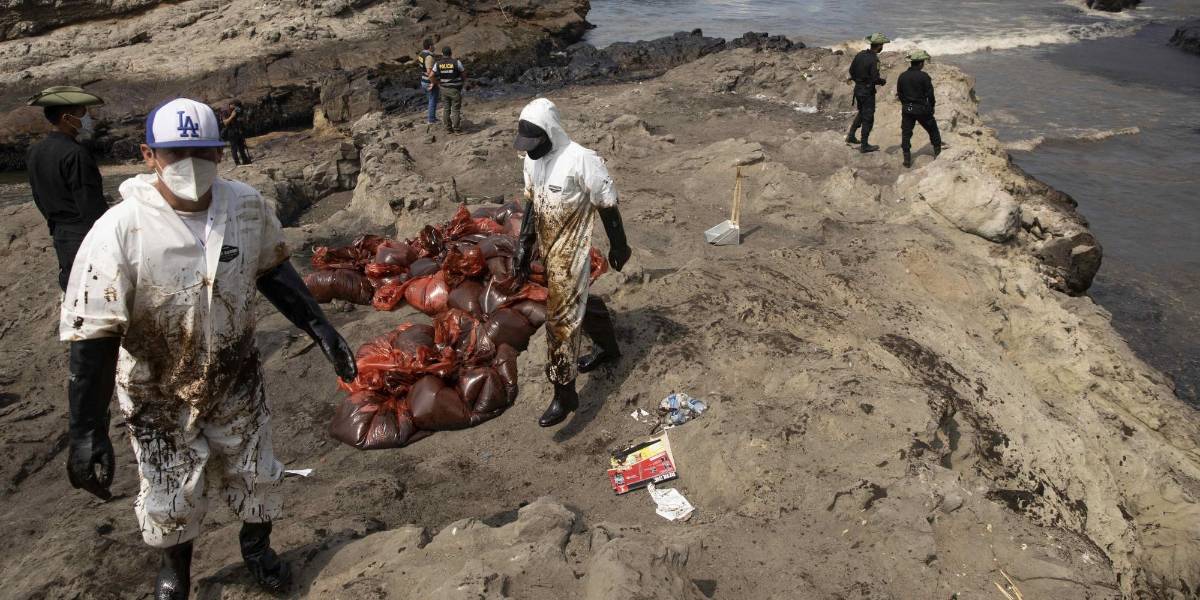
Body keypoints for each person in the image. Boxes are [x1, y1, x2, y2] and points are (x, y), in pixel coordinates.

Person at [59, 98, 357, 600]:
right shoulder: (120, 230)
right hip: (156, 391)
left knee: (255, 468)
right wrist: (86, 431)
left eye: (201, 152)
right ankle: (175, 567)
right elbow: (93, 335)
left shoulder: (244, 205)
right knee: (169, 486)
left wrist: (320, 327)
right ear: (149, 154)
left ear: (220, 153)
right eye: (175, 153)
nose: (189, 166)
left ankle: (257, 546)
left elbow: (272, 271)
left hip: (236, 374)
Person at [512, 98, 631, 428]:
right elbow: (532, 203)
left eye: (535, 144)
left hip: (573, 252)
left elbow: (607, 205)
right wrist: (524, 246)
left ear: (551, 131)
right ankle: (608, 348)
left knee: (559, 323)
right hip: (549, 251)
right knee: (579, 304)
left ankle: (564, 395)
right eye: (526, 146)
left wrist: (620, 247)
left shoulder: (582, 160)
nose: (531, 151)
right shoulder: (532, 162)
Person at [25, 86, 108, 291]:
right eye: (82, 113)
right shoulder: (76, 153)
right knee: (92, 287)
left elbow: (37, 194)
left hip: (60, 232)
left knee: (71, 284)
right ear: (66, 117)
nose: (87, 117)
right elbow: (90, 203)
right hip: (83, 233)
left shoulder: (35, 151)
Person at [896, 49, 943, 168]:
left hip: (907, 109)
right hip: (921, 108)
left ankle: (907, 158)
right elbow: (930, 95)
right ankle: (937, 151)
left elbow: (900, 93)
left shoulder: (902, 76)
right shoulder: (924, 76)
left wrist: (905, 104)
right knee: (932, 129)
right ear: (921, 63)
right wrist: (931, 106)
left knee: (906, 133)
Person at [846, 33, 890, 154]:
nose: (883, 47)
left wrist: (858, 80)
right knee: (868, 117)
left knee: (861, 112)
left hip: (858, 90)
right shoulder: (874, 59)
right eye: (882, 45)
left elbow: (851, 70)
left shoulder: (860, 55)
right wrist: (882, 82)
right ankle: (864, 145)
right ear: (879, 46)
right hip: (867, 92)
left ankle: (851, 135)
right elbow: (875, 78)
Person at [433, 47, 467, 134]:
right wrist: (463, 82)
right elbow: (463, 74)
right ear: (451, 53)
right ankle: (457, 129)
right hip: (455, 89)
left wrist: (437, 83)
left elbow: (430, 75)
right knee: (455, 109)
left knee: (446, 109)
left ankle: (448, 129)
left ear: (442, 54)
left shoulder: (437, 64)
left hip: (444, 89)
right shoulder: (457, 62)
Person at [222, 100, 251, 165]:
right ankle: (237, 162)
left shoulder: (237, 111)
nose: (236, 108)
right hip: (231, 131)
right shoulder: (225, 112)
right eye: (236, 106)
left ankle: (245, 160)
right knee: (234, 148)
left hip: (238, 130)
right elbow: (225, 123)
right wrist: (232, 116)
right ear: (231, 104)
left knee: (241, 146)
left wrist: (241, 119)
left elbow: (242, 119)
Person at [418, 38, 439, 125]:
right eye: (433, 45)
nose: (434, 46)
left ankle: (432, 117)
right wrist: (434, 82)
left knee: (430, 99)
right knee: (432, 100)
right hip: (428, 81)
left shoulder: (421, 54)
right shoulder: (429, 57)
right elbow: (429, 72)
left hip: (423, 80)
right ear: (430, 46)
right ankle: (431, 120)